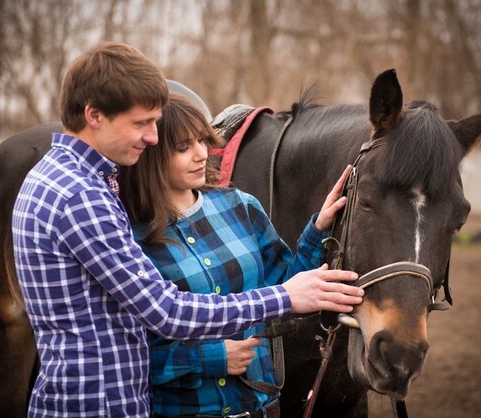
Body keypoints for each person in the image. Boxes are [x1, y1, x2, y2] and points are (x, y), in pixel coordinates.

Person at [11, 41, 364, 417]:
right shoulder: (84, 198)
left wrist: (315, 235)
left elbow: (280, 279)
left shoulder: (64, 180)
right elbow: (165, 312)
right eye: (141, 124)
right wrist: (274, 306)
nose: (150, 137)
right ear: (94, 115)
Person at [117, 94, 358, 418]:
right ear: (151, 156)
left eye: (202, 140)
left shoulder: (240, 205)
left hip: (261, 408)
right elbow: (126, 353)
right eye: (183, 147)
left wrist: (318, 229)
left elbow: (283, 290)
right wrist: (209, 359)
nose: (202, 154)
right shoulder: (131, 237)